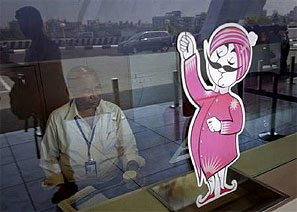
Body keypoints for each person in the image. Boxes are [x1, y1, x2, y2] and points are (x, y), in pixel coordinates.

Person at [177, 24, 257, 207]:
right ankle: (214, 189)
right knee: (211, 170)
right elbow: (194, 88)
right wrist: (189, 57)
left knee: (219, 168)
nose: (221, 70)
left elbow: (237, 124)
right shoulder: (208, 96)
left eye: (229, 68)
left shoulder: (232, 101)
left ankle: (220, 187)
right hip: (206, 147)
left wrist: (222, 126)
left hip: (221, 146)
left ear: (239, 73)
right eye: (215, 63)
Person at [40, 66, 145, 203]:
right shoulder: (58, 118)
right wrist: (60, 185)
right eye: (87, 91)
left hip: (112, 181)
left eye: (97, 88)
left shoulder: (114, 111)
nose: (95, 94)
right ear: (71, 92)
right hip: (74, 186)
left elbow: (128, 146)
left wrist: (132, 167)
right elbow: (49, 158)